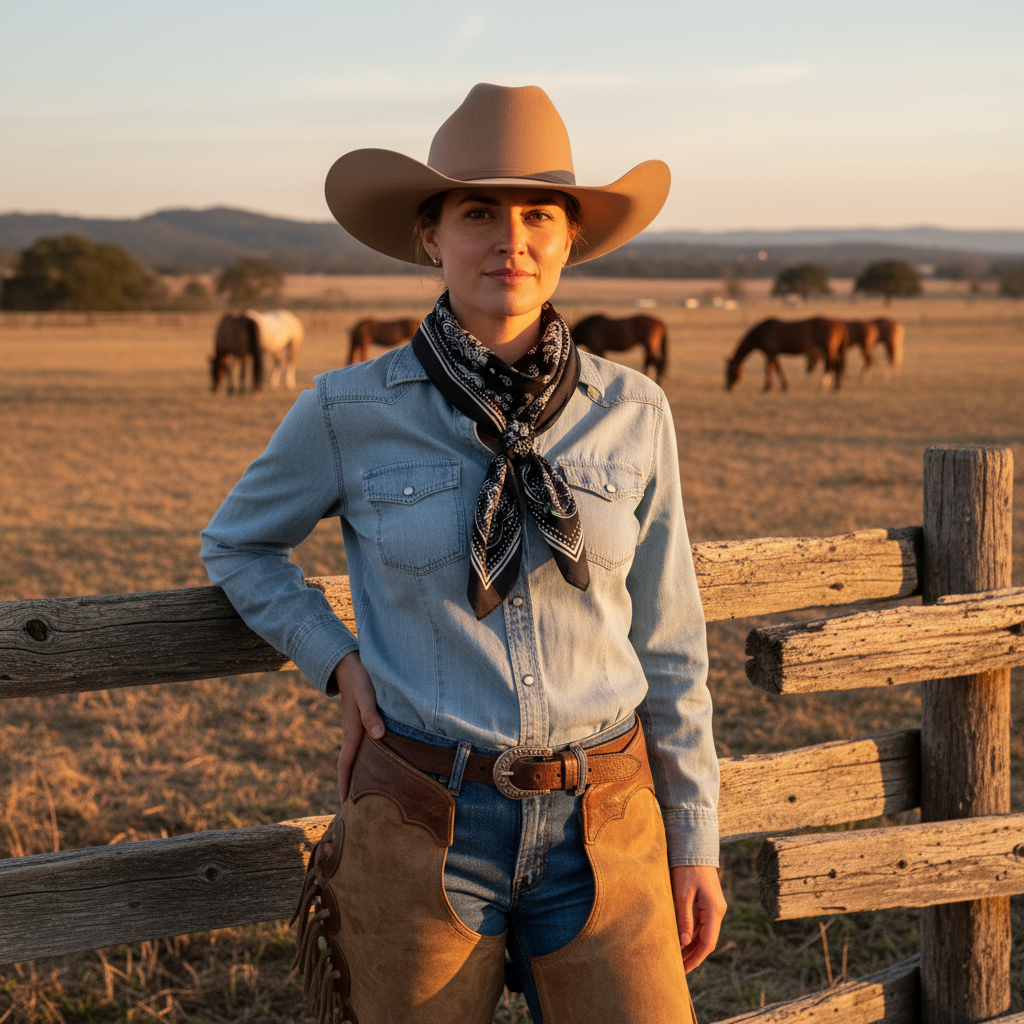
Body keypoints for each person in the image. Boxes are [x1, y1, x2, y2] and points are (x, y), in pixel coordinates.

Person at [201, 82, 725, 1024]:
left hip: (608, 820)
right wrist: (338, 660)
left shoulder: (634, 412)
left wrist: (695, 841)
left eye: (538, 214)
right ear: (431, 237)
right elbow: (238, 545)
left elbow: (674, 647)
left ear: (569, 240)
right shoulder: (347, 410)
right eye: (478, 211)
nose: (510, 239)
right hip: (420, 821)